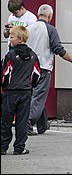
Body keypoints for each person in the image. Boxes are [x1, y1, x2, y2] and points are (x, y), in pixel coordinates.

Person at [26, 4, 72, 135]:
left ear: (38, 14)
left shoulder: (28, 28)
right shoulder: (50, 29)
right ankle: (27, 123)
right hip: (43, 67)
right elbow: (58, 49)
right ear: (50, 16)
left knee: (35, 95)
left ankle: (42, 124)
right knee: (39, 96)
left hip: (28, 68)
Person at [1, 26, 41, 155]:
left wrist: (5, 87)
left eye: (12, 37)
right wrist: (31, 85)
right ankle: (19, 147)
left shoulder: (10, 55)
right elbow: (37, 75)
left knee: (6, 120)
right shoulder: (33, 55)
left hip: (10, 93)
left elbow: (4, 74)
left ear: (20, 39)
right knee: (22, 121)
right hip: (26, 92)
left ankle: (2, 147)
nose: (10, 39)